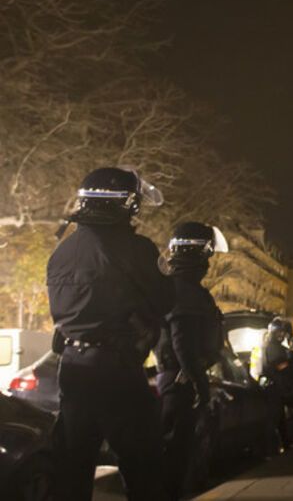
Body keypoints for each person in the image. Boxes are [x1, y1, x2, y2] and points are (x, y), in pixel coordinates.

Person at [47, 167, 174, 500]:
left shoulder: (63, 249)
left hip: (72, 368)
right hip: (117, 368)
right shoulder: (137, 249)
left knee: (73, 467)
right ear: (128, 204)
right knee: (143, 463)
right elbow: (164, 300)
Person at [155, 221, 228, 498]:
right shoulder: (186, 291)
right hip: (179, 381)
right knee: (176, 452)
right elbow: (182, 341)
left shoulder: (177, 287)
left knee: (176, 450)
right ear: (200, 254)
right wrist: (199, 382)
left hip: (175, 378)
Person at [260, 319, 292, 449]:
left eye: (283, 332)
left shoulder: (276, 346)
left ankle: (284, 443)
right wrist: (288, 364)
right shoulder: (272, 346)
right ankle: (270, 447)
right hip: (274, 386)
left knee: (280, 416)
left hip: (278, 385)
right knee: (274, 417)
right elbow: (276, 366)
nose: (282, 335)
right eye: (279, 332)